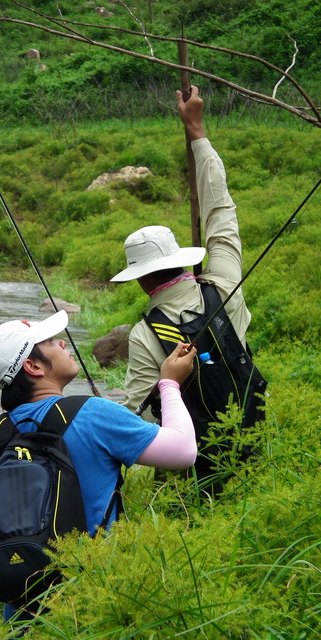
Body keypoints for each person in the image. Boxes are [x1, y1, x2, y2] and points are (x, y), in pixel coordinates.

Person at [0, 309, 197, 622]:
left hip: (22, 614)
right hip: (95, 603)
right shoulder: (93, 413)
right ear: (32, 366)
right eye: (52, 342)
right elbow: (183, 451)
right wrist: (169, 383)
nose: (63, 345)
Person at [110, 86, 263, 486]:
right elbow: (220, 210)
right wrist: (196, 129)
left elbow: (138, 420)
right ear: (181, 260)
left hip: (191, 483)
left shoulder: (145, 335)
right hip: (257, 455)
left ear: (141, 281)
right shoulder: (226, 281)